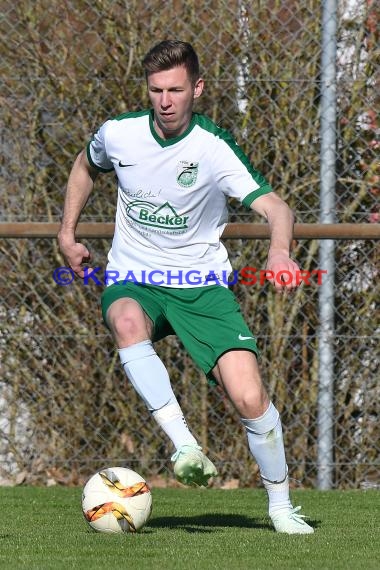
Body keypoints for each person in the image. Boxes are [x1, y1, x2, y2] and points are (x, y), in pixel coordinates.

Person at [58, 40, 314, 534]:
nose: (165, 101)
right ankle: (184, 445)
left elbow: (277, 208)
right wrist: (67, 234)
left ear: (196, 88)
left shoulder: (213, 149)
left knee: (249, 397)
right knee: (126, 319)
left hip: (201, 286)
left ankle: (281, 507)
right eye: (156, 90)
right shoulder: (119, 135)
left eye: (176, 89)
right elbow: (84, 167)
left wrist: (279, 251)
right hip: (136, 277)